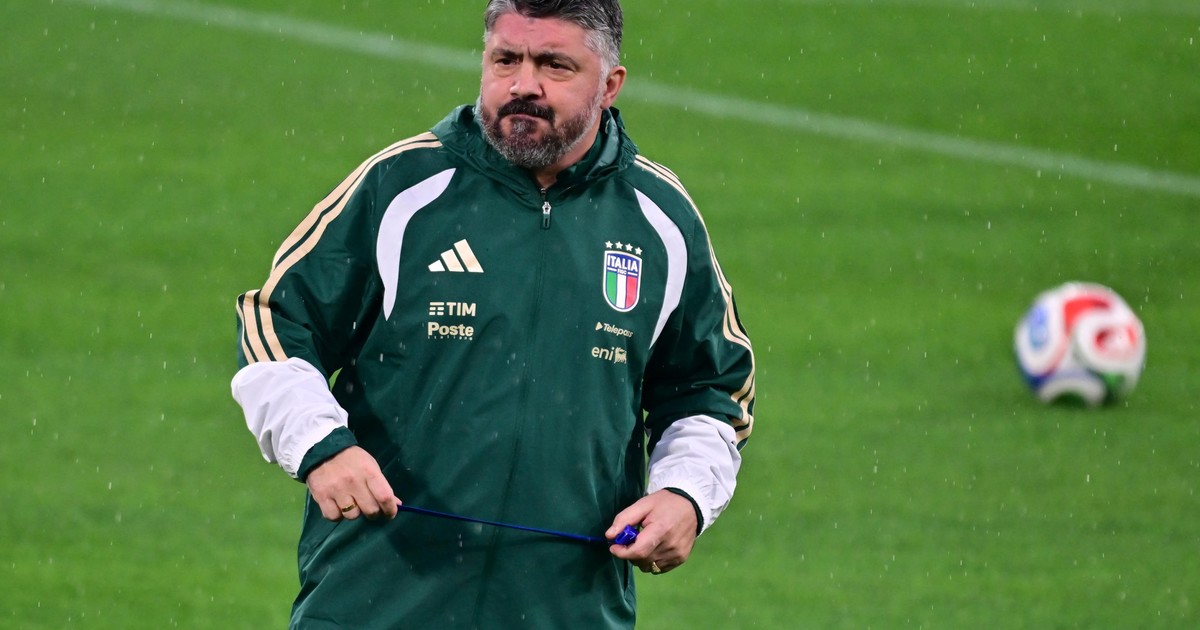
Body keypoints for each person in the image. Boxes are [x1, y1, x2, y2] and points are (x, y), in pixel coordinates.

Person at [231, 0, 755, 627]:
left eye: (555, 65)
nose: (523, 85)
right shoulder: (402, 188)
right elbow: (277, 324)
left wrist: (685, 495)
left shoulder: (660, 219)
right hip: (377, 604)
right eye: (506, 59)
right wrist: (321, 446)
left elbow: (709, 389)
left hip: (564, 610)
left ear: (610, 85)